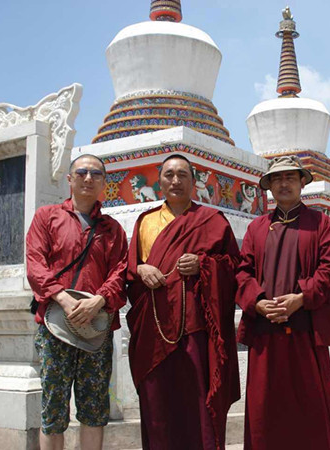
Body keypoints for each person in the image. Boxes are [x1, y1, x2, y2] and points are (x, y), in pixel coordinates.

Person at [236, 155, 330, 450]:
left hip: (304, 331)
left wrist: (301, 299)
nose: (284, 183)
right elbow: (242, 273)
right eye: (277, 178)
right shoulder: (256, 229)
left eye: (290, 177)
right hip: (265, 334)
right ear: (270, 187)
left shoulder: (320, 224)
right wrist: (259, 303)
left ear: (302, 182)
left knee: (312, 409)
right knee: (265, 410)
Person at [126, 154, 240, 450]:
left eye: (182, 175)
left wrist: (204, 264)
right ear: (159, 181)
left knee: (199, 407)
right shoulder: (146, 221)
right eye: (168, 175)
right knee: (158, 407)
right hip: (154, 331)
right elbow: (128, 270)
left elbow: (234, 268)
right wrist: (140, 269)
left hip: (196, 331)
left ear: (194, 182)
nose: (175, 181)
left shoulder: (212, 221)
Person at [26, 154, 128, 450]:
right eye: (81, 172)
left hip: (96, 328)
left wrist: (99, 300)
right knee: (53, 407)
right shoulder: (47, 217)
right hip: (55, 325)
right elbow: (35, 263)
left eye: (96, 174)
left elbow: (121, 271)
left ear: (104, 184)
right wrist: (61, 298)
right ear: (69, 179)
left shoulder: (112, 229)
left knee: (94, 408)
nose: (88, 178)